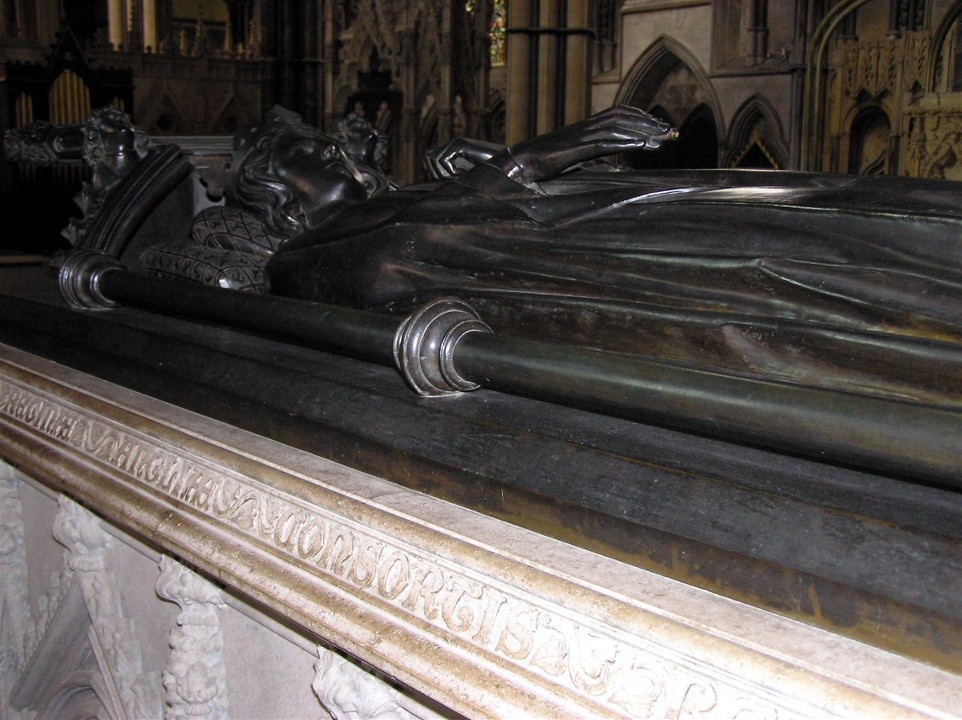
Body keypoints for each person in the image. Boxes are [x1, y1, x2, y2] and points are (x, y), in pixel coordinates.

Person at [145, 105, 962, 408]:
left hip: (611, 230)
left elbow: (449, 216)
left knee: (810, 204)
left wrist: (518, 167)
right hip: (611, 273)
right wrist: (550, 152)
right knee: (800, 262)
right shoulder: (305, 260)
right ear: (279, 197)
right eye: (301, 152)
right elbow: (412, 252)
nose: (329, 149)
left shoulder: (387, 198)